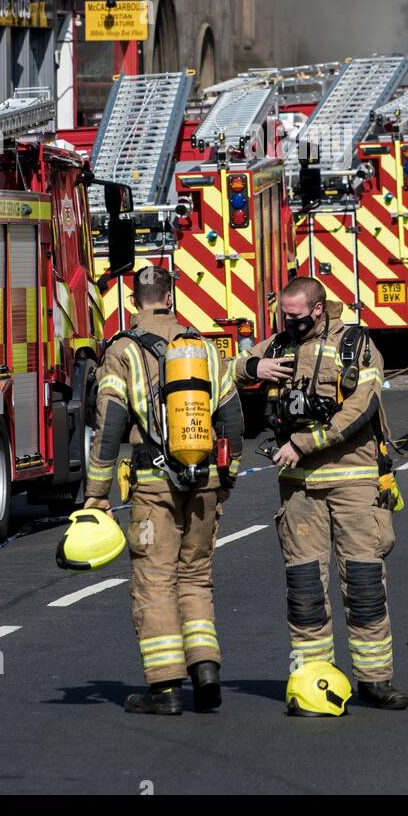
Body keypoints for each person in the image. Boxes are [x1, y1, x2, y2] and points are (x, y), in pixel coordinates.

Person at [233, 276, 408, 710]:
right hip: (299, 489)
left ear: (317, 309)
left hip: (354, 482)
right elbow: (227, 369)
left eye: (295, 316)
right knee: (305, 587)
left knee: (364, 583)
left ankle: (375, 680)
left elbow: (362, 406)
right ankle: (314, 680)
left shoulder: (355, 345)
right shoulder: (278, 345)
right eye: (283, 315)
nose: (288, 322)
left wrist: (305, 443)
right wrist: (254, 369)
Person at [84, 265, 243, 714]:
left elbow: (110, 425)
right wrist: (228, 477)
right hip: (206, 478)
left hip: (155, 484)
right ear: (171, 298)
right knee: (195, 577)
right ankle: (206, 670)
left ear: (134, 302)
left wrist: (97, 490)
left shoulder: (123, 350)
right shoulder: (203, 347)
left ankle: (166, 688)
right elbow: (232, 417)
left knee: (155, 581)